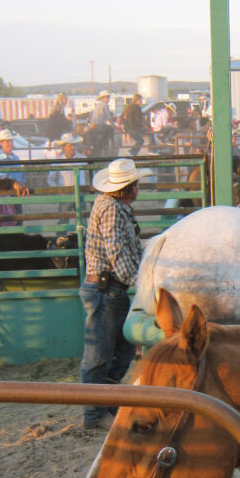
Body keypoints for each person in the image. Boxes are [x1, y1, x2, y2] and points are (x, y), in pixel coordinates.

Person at [80, 158, 152, 431]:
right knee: (100, 354)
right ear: (130, 188)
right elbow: (120, 258)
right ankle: (94, 414)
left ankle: (105, 406)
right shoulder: (112, 210)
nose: (138, 187)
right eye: (136, 184)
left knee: (119, 352)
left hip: (109, 288)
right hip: (106, 289)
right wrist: (144, 285)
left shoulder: (113, 206)